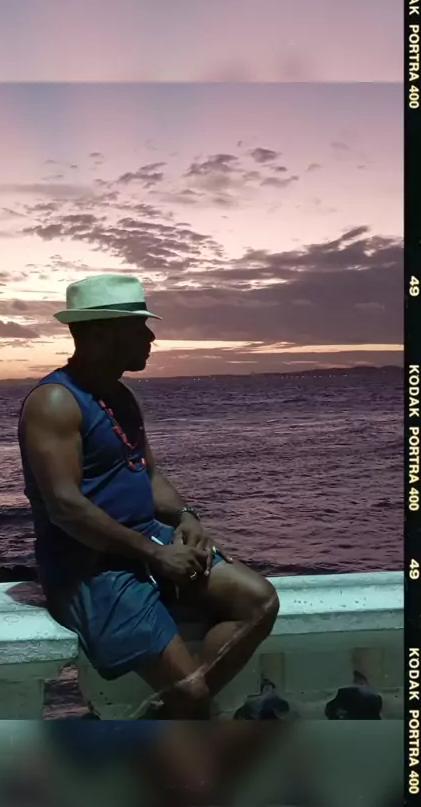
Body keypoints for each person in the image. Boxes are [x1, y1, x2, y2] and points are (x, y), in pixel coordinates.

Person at [18, 273, 279, 720]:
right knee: (193, 698)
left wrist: (187, 517)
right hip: (91, 567)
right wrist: (155, 555)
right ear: (100, 334)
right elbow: (65, 508)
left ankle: (174, 708)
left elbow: (150, 475)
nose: (151, 337)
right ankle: (177, 712)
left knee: (259, 601)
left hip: (147, 541)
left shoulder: (120, 396)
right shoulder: (56, 402)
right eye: (138, 326)